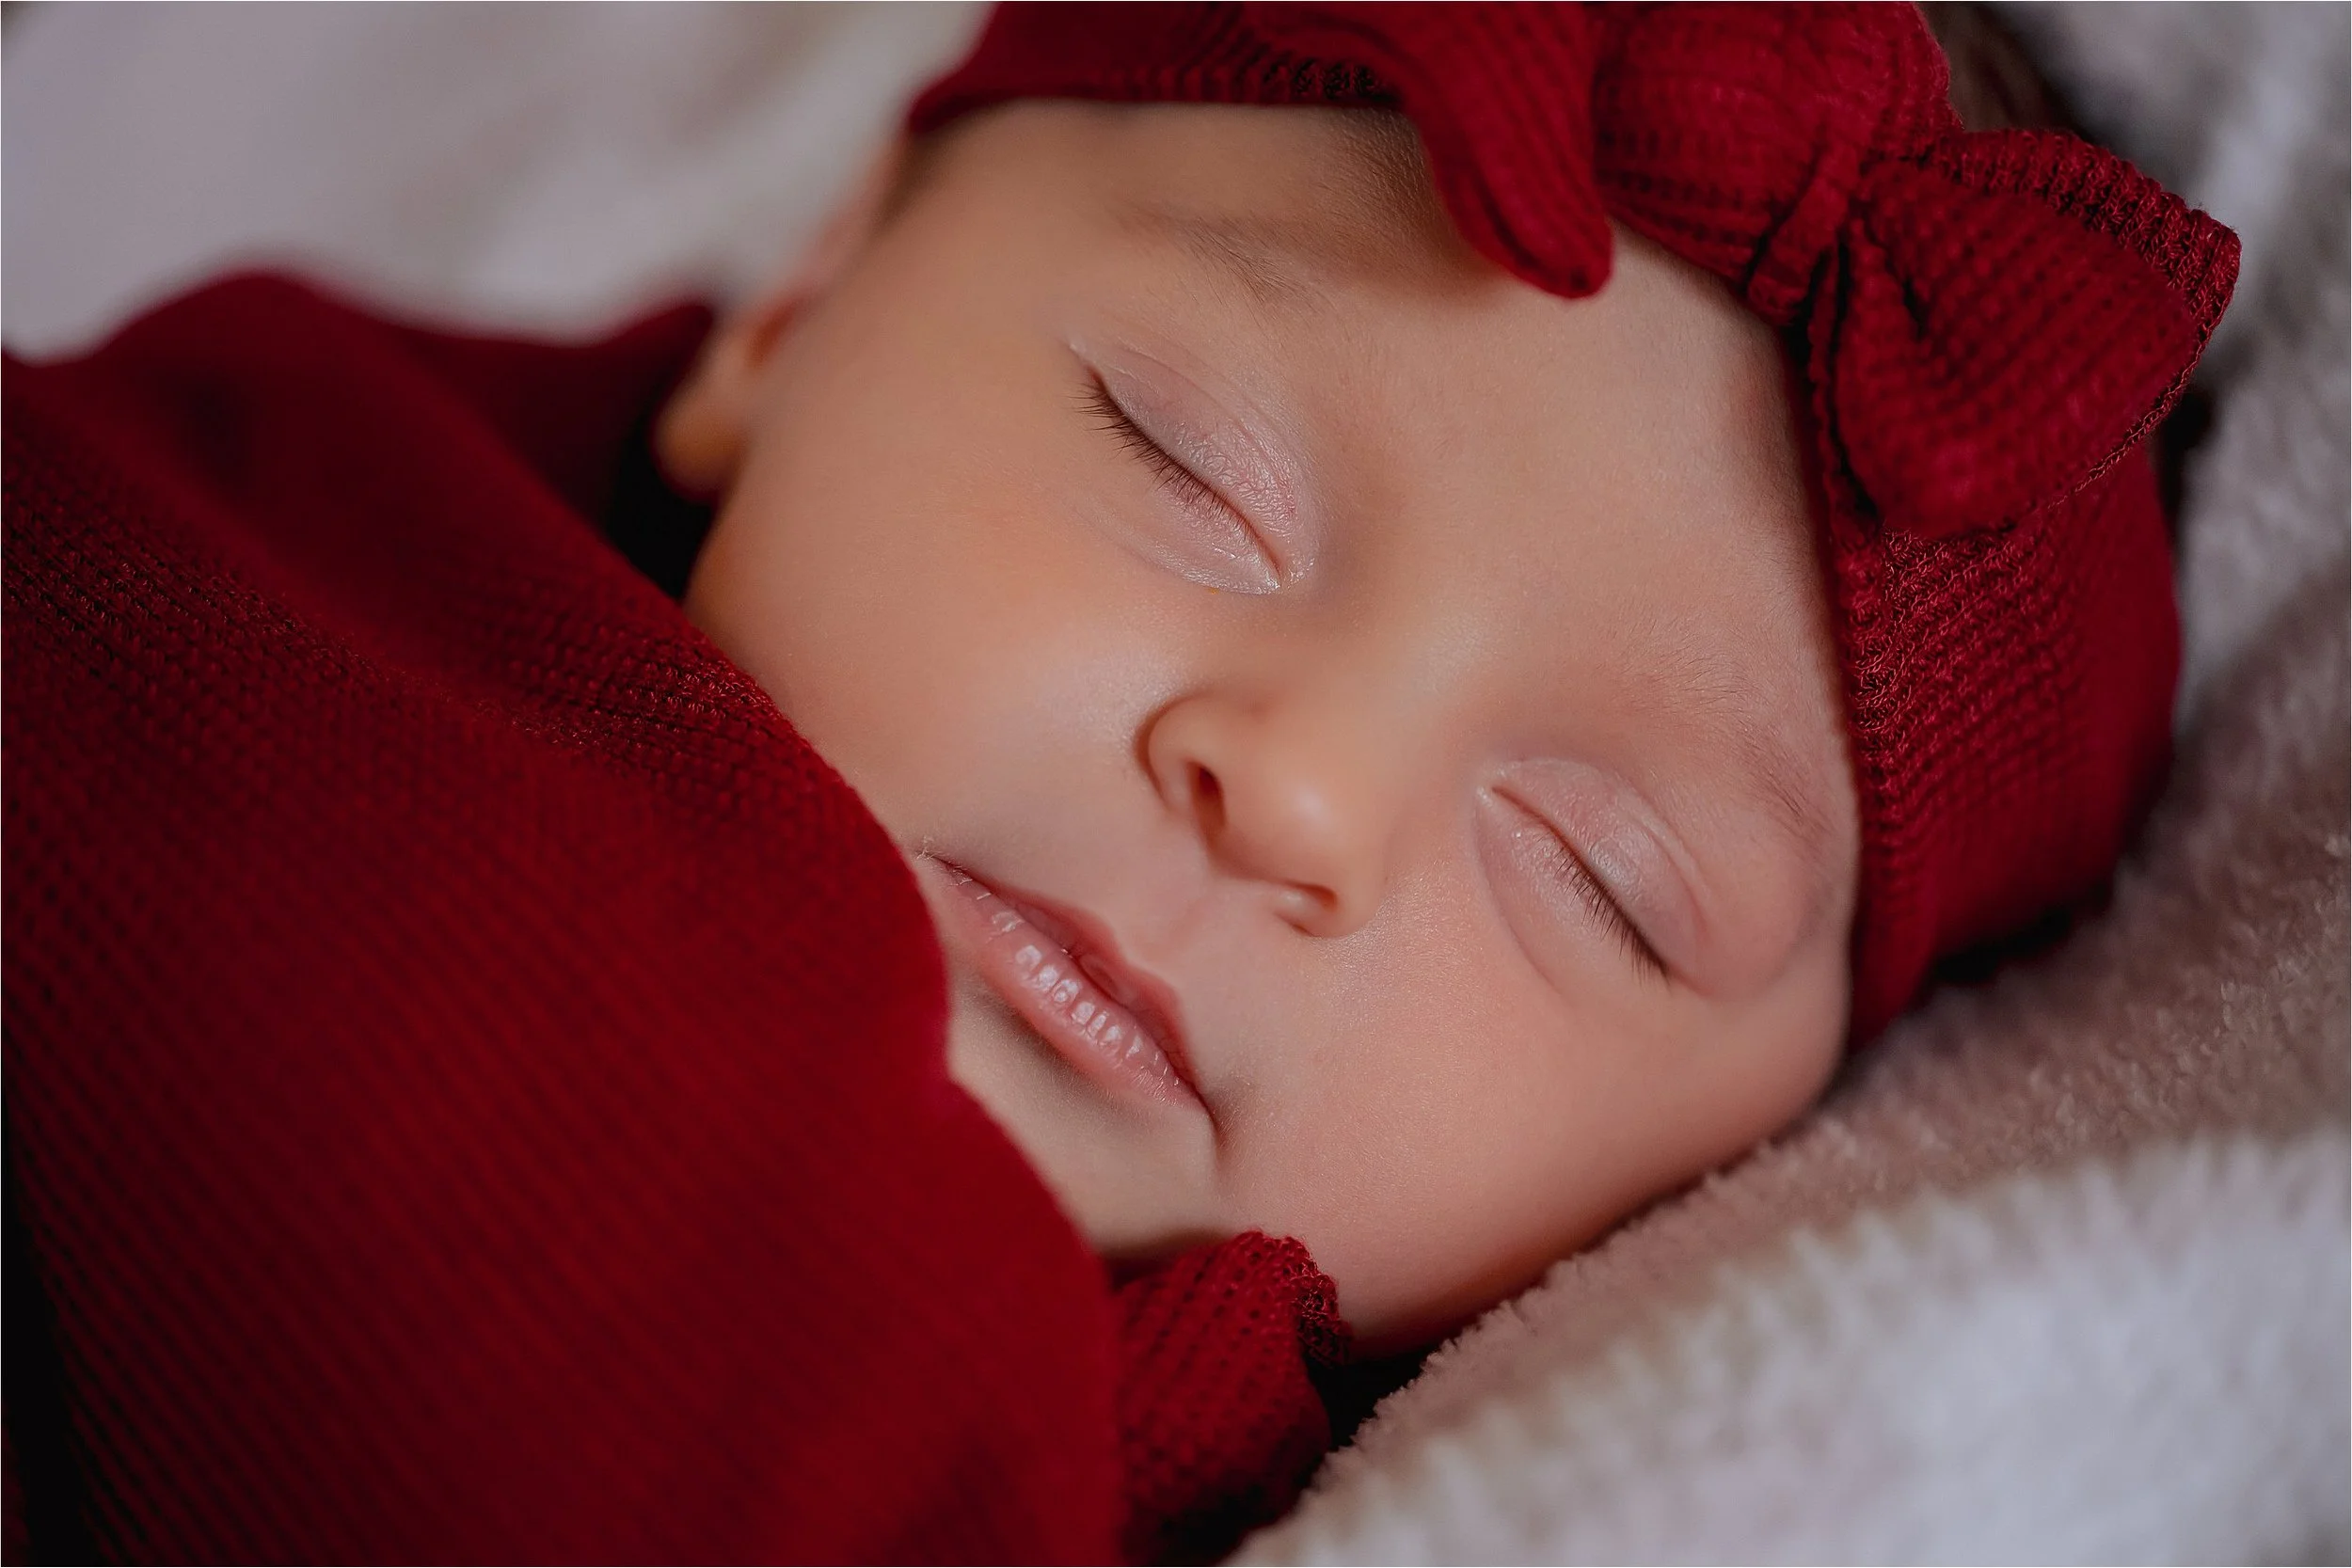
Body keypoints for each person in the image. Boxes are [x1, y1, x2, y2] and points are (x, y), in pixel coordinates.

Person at [1, 5, 2233, 1562]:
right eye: (1189, 463)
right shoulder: (203, 579)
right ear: (797, 310)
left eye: (1602, 876)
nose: (1296, 793)